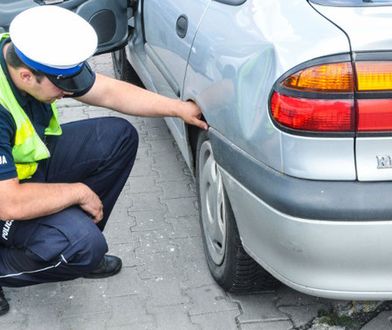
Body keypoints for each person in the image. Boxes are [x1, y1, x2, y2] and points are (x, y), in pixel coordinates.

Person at [0, 5, 207, 315]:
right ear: (28, 76)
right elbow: (9, 203)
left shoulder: (21, 51)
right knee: (83, 246)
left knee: (118, 138)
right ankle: (68, 247)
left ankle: (74, 237)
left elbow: (107, 91)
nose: (67, 93)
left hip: (23, 171)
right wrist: (78, 191)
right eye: (61, 86)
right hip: (7, 196)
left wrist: (177, 108)